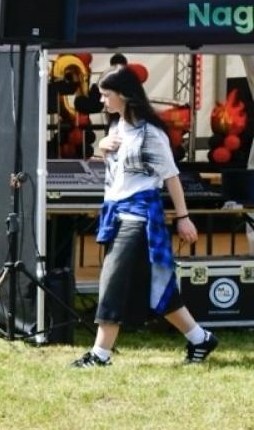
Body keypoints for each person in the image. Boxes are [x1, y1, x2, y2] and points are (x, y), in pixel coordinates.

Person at [72, 66, 217, 368]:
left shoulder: (151, 133)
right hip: (118, 215)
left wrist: (183, 217)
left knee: (112, 281)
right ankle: (200, 338)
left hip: (138, 217)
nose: (102, 101)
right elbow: (118, 173)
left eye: (106, 95)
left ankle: (100, 354)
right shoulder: (117, 128)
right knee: (156, 285)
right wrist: (101, 148)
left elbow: (171, 176)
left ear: (124, 95)